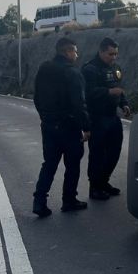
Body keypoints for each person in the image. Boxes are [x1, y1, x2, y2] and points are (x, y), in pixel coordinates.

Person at [32, 37, 91, 218]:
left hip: (49, 125)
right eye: (74, 51)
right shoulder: (72, 72)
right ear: (67, 52)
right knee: (72, 165)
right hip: (69, 126)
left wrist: (45, 117)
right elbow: (78, 103)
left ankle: (39, 201)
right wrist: (86, 127)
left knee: (49, 164)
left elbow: (36, 97)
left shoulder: (44, 69)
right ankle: (69, 200)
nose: (76, 54)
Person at [82, 37, 131, 200]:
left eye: (116, 54)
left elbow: (119, 89)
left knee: (114, 151)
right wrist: (108, 93)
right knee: (97, 154)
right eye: (110, 54)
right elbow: (88, 94)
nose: (114, 57)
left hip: (112, 116)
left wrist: (124, 104)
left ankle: (104, 181)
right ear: (101, 51)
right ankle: (94, 187)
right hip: (97, 117)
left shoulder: (115, 68)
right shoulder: (90, 69)